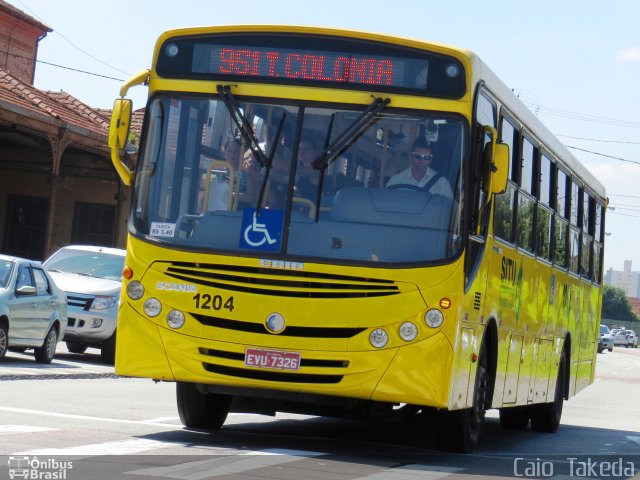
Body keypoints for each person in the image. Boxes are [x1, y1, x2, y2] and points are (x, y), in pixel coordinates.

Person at [204, 136, 259, 211]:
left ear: (241, 154)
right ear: (224, 153)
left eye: (235, 152)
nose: (232, 155)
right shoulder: (216, 173)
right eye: (229, 151)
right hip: (215, 212)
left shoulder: (246, 175)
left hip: (235, 214)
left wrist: (231, 195)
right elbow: (205, 197)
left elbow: (251, 197)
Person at [386, 138, 453, 198]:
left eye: (426, 157)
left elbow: (448, 208)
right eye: (418, 156)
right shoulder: (396, 180)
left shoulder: (441, 183)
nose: (421, 161)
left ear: (431, 159)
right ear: (411, 156)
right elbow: (386, 203)